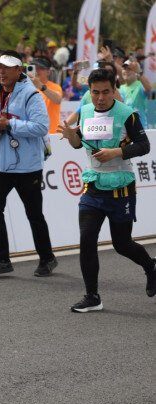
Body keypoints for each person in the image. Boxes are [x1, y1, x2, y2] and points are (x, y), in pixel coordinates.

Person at [57, 68, 155, 312]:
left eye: (105, 92)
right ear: (89, 91)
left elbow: (144, 145)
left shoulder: (126, 114)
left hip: (121, 186)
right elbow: (81, 144)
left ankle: (151, 267)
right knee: (86, 239)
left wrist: (116, 152)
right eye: (95, 92)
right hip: (93, 185)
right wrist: (71, 136)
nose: (100, 98)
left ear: (114, 89)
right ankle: (92, 297)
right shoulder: (86, 111)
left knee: (121, 244)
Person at [0, 50, 57, 276]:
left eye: (7, 67)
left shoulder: (32, 94)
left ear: (19, 70)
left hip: (28, 166)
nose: (1, 72)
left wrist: (10, 125)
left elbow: (41, 127)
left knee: (34, 214)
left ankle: (47, 258)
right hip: (1, 164)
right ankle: (2, 260)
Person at [27, 57, 62, 133]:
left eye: (41, 68)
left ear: (48, 72)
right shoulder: (26, 88)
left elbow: (58, 100)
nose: (37, 71)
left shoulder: (55, 87)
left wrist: (40, 86)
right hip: (33, 133)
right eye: (35, 68)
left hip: (52, 132)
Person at [119, 58, 151, 128]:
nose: (126, 71)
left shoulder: (140, 85)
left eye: (129, 69)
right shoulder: (120, 89)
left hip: (140, 130)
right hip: (124, 131)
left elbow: (148, 88)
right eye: (124, 68)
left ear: (136, 72)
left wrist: (139, 72)